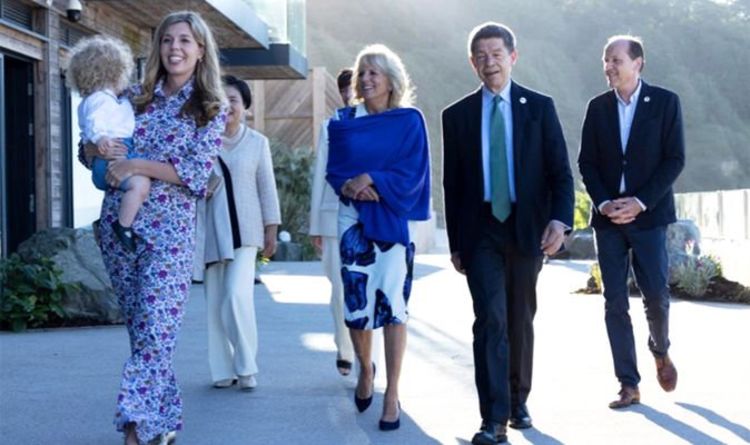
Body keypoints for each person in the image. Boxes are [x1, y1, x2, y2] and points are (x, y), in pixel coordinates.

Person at [78, 11, 226, 445]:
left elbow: (195, 173)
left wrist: (136, 165)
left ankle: (134, 429)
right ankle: (163, 421)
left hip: (170, 237)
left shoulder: (210, 108)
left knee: (157, 331)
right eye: (167, 40)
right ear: (158, 49)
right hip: (119, 229)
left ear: (200, 51)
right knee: (145, 333)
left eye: (185, 41)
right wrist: (94, 149)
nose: (174, 48)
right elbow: (91, 151)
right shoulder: (134, 98)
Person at [441, 22, 574, 445]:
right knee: (490, 320)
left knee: (520, 318)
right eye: (480, 56)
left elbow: (560, 173)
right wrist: (457, 243)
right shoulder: (457, 115)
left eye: (496, 54)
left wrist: (560, 221)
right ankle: (493, 419)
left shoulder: (539, 107)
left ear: (513, 57)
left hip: (527, 228)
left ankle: (518, 400)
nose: (489, 62)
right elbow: (453, 184)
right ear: (471, 63)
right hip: (480, 231)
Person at [325, 44, 431, 431]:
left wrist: (371, 179)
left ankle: (392, 392)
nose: (366, 79)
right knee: (356, 306)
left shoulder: (409, 120)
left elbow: (414, 169)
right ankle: (365, 371)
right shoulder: (342, 118)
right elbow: (335, 170)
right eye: (361, 72)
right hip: (352, 217)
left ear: (391, 80)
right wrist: (351, 186)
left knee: (393, 307)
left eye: (374, 72)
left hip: (392, 216)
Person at [578, 35, 684, 409]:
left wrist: (639, 202)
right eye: (605, 60)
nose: (609, 66)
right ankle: (628, 383)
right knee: (614, 301)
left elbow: (674, 159)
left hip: (649, 217)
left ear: (638, 63)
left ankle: (660, 349)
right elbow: (586, 162)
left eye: (616, 60)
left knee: (656, 294)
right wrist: (605, 203)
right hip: (608, 220)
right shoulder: (598, 107)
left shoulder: (666, 103)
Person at [201, 74, 281, 391]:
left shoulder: (257, 142)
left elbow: (267, 189)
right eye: (220, 100)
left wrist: (271, 230)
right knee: (215, 304)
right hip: (211, 232)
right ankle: (222, 369)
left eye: (233, 100)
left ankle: (246, 366)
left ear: (245, 106)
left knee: (236, 296)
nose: (226, 106)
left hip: (247, 233)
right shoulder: (201, 141)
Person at [67, 35, 149, 253]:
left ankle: (109, 223)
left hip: (117, 154)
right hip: (110, 156)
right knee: (140, 185)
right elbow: (94, 121)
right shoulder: (98, 99)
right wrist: (101, 139)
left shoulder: (113, 98)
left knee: (139, 185)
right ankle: (122, 226)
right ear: (113, 71)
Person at [309, 67, 356, 377]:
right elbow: (320, 175)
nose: (353, 92)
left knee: (367, 291)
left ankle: (365, 357)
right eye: (347, 88)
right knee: (339, 290)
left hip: (371, 218)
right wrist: (315, 225)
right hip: (333, 217)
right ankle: (345, 347)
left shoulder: (382, 122)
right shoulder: (331, 126)